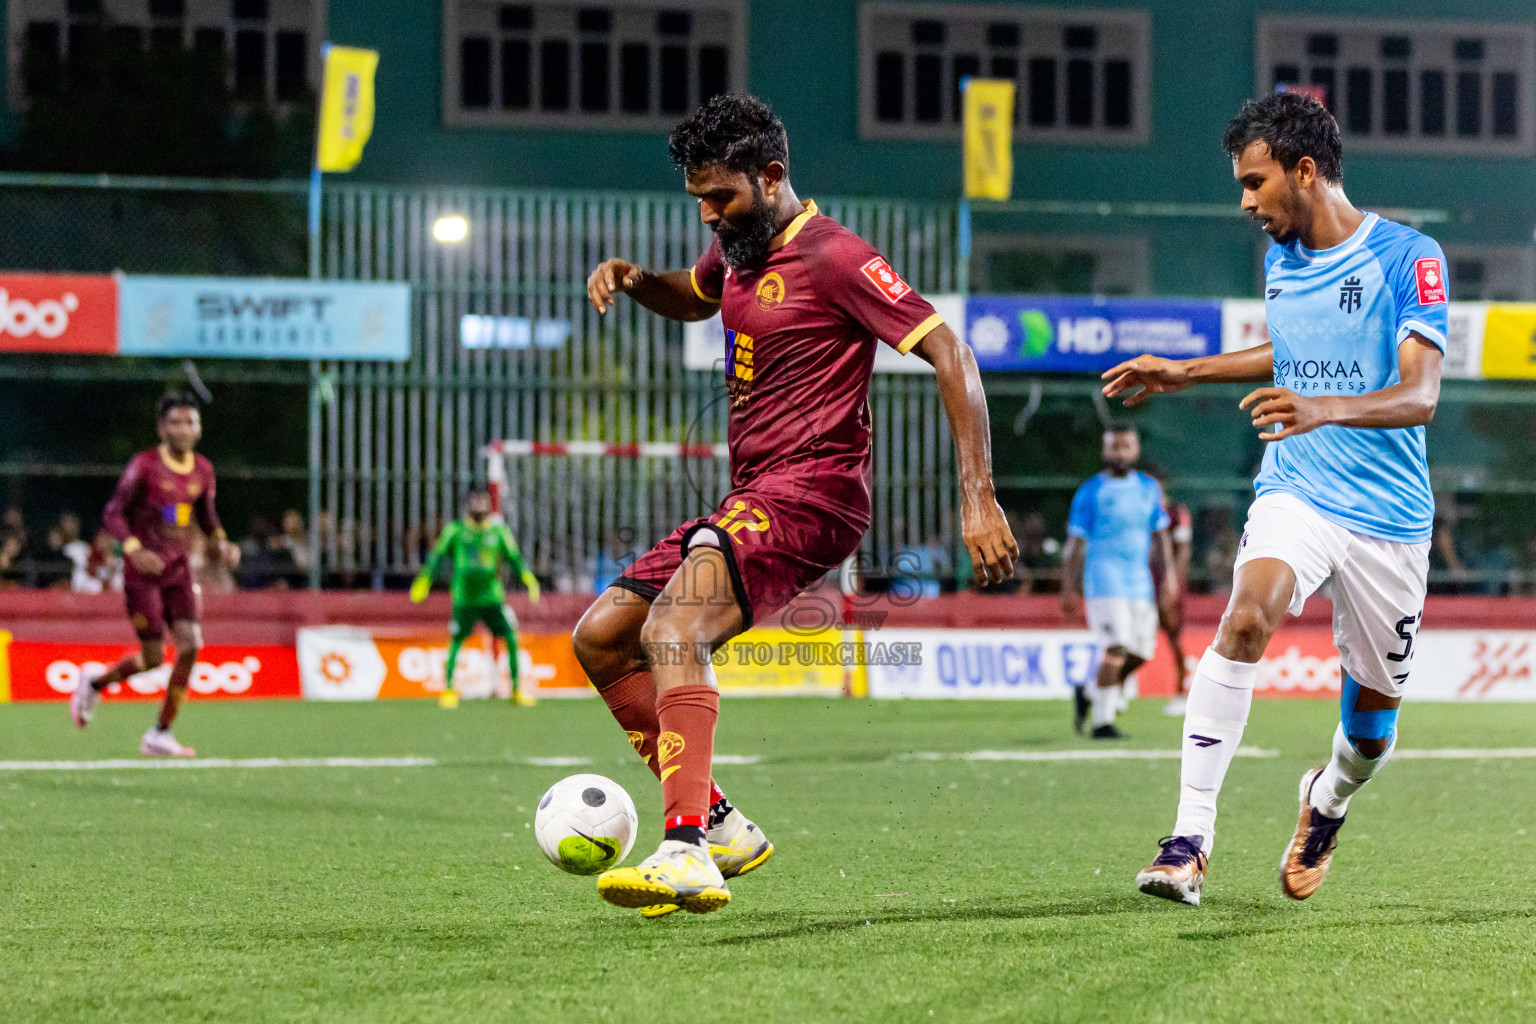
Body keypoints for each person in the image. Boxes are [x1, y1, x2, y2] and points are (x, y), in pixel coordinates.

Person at [577, 94, 1016, 917]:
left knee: (674, 628)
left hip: (815, 491)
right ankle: (720, 824)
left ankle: (685, 850)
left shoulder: (835, 256)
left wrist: (979, 497)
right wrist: (638, 281)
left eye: (722, 197)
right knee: (602, 637)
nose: (708, 215)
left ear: (771, 175)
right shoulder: (739, 250)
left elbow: (951, 351)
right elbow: (698, 295)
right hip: (755, 493)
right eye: (698, 199)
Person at [1104, 92, 1445, 906]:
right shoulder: (1282, 259)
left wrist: (1322, 404)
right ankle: (1189, 839)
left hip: (1391, 519)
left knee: (1370, 736)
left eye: (1255, 183)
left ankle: (1325, 802)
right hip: (1301, 485)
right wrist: (1185, 372)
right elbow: (1290, 351)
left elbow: (1421, 392)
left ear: (1305, 169)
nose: (1246, 203)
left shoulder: (1407, 256)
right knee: (1246, 616)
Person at [70, 392, 241, 756]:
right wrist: (133, 549)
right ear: (161, 428)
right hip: (142, 573)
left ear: (199, 428)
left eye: (190, 422)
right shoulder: (144, 467)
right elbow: (113, 514)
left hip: (180, 570)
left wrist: (223, 544)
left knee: (191, 645)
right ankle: (95, 682)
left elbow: (209, 520)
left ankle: (160, 733)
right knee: (152, 658)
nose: (183, 429)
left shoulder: (203, 470)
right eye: (175, 422)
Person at [1060, 424, 1178, 739]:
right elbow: (1074, 545)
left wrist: (1170, 576)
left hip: (1139, 582)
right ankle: (1102, 722)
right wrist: (1068, 588)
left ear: (1135, 450)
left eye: (1125, 446)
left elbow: (1162, 533)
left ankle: (1089, 691)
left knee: (1141, 652)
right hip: (1103, 581)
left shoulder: (1149, 488)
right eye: (1114, 447)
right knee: (1115, 648)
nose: (1119, 453)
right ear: (1105, 450)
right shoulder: (1091, 492)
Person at [411, 487, 541, 708]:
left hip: (492, 597)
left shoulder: (499, 531)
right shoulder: (455, 530)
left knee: (510, 637)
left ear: (490, 505)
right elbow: (437, 557)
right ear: (467, 504)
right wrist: (424, 580)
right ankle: (449, 689)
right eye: (476, 501)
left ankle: (516, 690)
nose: (480, 505)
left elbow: (514, 557)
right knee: (456, 640)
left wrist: (528, 578)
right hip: (464, 599)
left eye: (484, 501)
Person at [1145, 466, 1194, 715]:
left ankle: (1180, 693)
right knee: (1136, 639)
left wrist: (1173, 580)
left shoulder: (1177, 512)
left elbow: (1184, 550)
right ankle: (1115, 690)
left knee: (1174, 637)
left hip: (1168, 582)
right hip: (1141, 583)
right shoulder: (1141, 513)